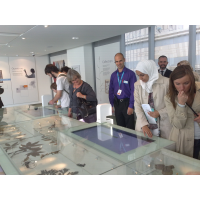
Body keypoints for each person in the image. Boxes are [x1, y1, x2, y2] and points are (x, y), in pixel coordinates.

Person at [164, 65, 200, 159]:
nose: (182, 88)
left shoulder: (198, 91)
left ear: (192, 80)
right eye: (177, 84)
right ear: (172, 83)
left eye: (186, 83)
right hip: (181, 139)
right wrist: (181, 104)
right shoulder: (169, 98)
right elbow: (177, 124)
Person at [134, 60, 172, 139]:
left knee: (162, 148)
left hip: (162, 123)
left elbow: (172, 104)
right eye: (138, 75)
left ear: (150, 71)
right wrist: (143, 124)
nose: (140, 78)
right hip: (144, 124)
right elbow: (137, 105)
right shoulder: (138, 85)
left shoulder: (167, 83)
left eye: (142, 75)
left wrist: (159, 112)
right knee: (145, 149)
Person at [109, 53, 137, 130]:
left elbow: (133, 91)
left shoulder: (131, 74)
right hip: (117, 103)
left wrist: (131, 105)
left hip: (127, 103)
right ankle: (121, 142)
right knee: (120, 127)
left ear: (124, 60)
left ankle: (131, 142)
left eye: (120, 61)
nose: (118, 63)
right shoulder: (113, 75)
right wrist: (111, 104)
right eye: (116, 61)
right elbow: (111, 90)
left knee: (130, 127)